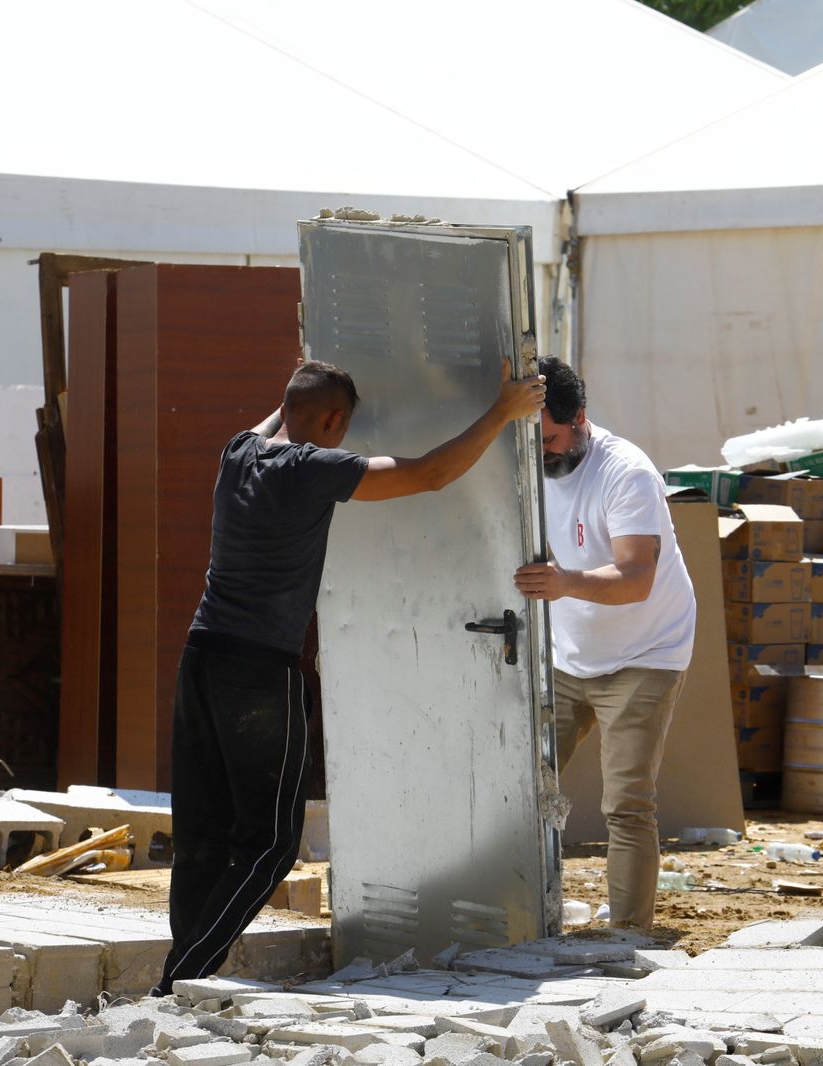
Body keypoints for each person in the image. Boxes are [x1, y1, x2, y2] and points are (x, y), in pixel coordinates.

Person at [157, 358, 546, 994]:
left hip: (202, 656)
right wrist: (503, 410)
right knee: (271, 844)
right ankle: (183, 979)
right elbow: (431, 473)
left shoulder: (237, 453)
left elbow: (282, 415)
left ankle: (181, 976)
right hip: (259, 669)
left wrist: (297, 391)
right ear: (335, 421)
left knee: (203, 835)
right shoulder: (313, 469)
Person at [512, 357, 696, 931]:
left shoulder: (627, 473)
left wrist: (565, 583)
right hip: (568, 655)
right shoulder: (522, 460)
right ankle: (515, 917)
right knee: (519, 790)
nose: (539, 451)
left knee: (626, 804)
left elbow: (637, 578)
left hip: (645, 654)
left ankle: (626, 937)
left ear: (581, 418)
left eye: (549, 437)